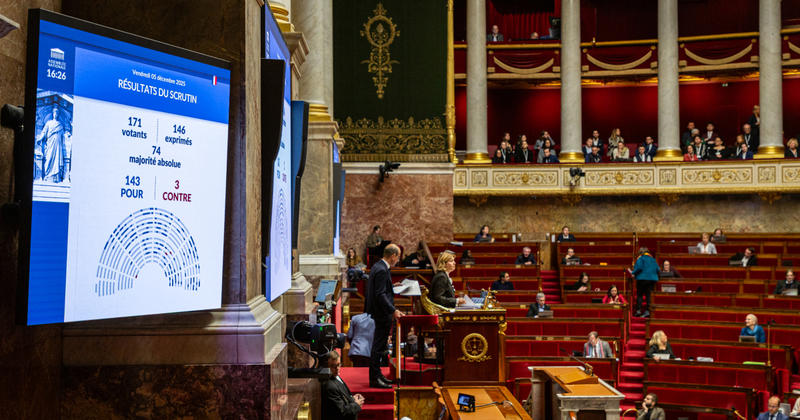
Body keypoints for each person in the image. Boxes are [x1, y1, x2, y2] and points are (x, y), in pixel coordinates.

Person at [365, 244, 404, 388]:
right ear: (393, 256)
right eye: (398, 257)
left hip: (379, 312)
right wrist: (393, 310)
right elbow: (380, 294)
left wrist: (392, 287)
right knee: (378, 346)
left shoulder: (378, 266)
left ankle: (378, 375)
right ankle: (374, 379)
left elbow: (381, 289)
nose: (398, 260)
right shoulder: (382, 269)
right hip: (382, 313)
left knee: (380, 346)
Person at [322, 351, 364, 420]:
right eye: (333, 366)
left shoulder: (335, 376)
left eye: (339, 365)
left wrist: (352, 398)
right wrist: (356, 404)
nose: (337, 368)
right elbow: (342, 412)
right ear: (327, 367)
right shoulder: (329, 386)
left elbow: (341, 396)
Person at [37, 107, 66, 182]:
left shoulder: (60, 125)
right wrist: (40, 138)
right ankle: (47, 175)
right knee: (49, 158)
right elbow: (44, 132)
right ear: (53, 114)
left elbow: (63, 137)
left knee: (57, 159)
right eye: (54, 112)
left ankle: (56, 176)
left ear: (58, 114)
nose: (55, 114)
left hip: (58, 144)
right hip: (50, 143)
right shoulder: (48, 123)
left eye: (57, 113)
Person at [630, 247, 659, 317]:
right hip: (651, 280)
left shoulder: (641, 258)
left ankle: (638, 310)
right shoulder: (653, 259)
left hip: (642, 279)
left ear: (641, 253)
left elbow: (639, 267)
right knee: (648, 296)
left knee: (639, 295)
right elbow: (658, 269)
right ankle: (648, 311)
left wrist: (633, 272)